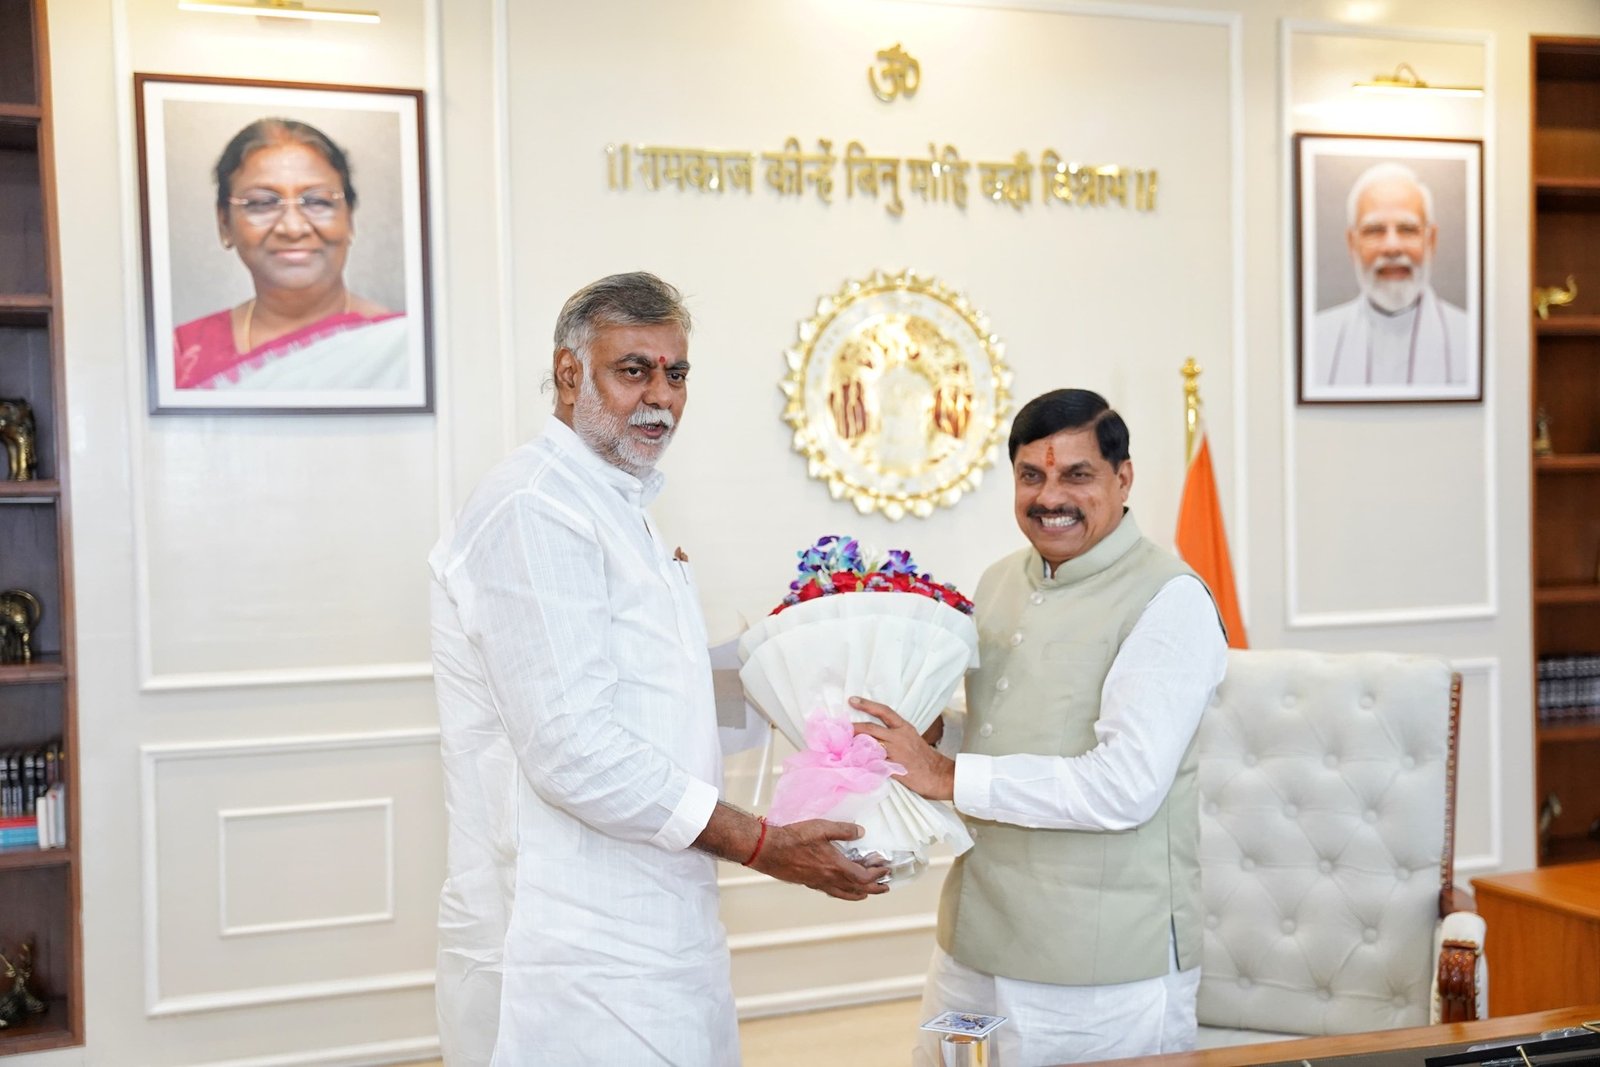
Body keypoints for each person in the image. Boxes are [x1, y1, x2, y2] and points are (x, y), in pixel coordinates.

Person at [429, 272, 889, 1066]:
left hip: (664, 928)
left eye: (676, 373)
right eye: (633, 369)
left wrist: (831, 681)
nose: (662, 397)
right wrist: (762, 843)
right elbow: (572, 750)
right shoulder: (536, 506)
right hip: (571, 947)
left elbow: (667, 705)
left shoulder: (621, 505)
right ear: (570, 374)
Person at [851, 388, 1227, 1066]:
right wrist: (930, 737)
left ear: (1123, 478)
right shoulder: (1000, 581)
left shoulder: (1170, 599)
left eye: (1077, 475)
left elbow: (1125, 786)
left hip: (1097, 970)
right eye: (1031, 475)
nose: (1050, 496)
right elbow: (1003, 734)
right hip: (973, 941)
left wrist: (946, 773)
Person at [173, 118, 407, 391]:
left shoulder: (407, 347)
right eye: (262, 203)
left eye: (318, 201)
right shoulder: (182, 356)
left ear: (349, 219)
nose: (293, 228)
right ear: (225, 223)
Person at [1312, 161, 1470, 388]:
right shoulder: (1315, 340)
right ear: (1352, 243)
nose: (1392, 247)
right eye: (1374, 230)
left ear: (1431, 240)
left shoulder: (1471, 338)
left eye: (1407, 229)